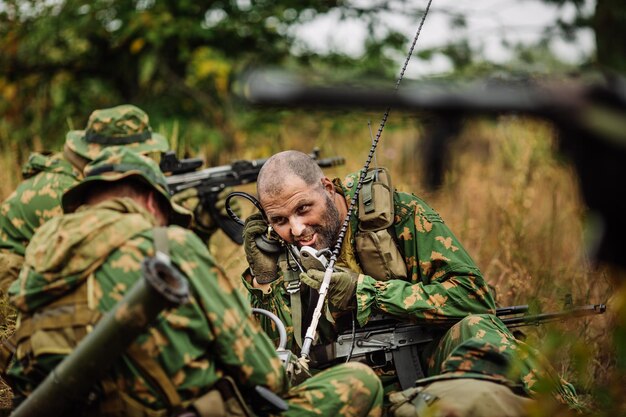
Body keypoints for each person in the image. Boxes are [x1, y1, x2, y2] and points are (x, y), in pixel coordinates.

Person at [4, 147, 383, 417]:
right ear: (153, 203)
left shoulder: (38, 264)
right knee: (357, 383)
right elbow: (265, 375)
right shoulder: (169, 247)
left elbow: (22, 374)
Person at [241, 150, 581, 411]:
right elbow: (277, 359)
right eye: (280, 219)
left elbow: (474, 297)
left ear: (328, 189)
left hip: (429, 362)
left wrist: (370, 292)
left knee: (479, 331)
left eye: (303, 209)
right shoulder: (280, 251)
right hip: (348, 387)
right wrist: (264, 279)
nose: (297, 230)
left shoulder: (397, 215)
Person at [0, 104, 235, 294]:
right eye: (140, 154)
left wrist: (199, 228)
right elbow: (126, 267)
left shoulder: (79, 179)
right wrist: (163, 220)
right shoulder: (61, 190)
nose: (146, 160)